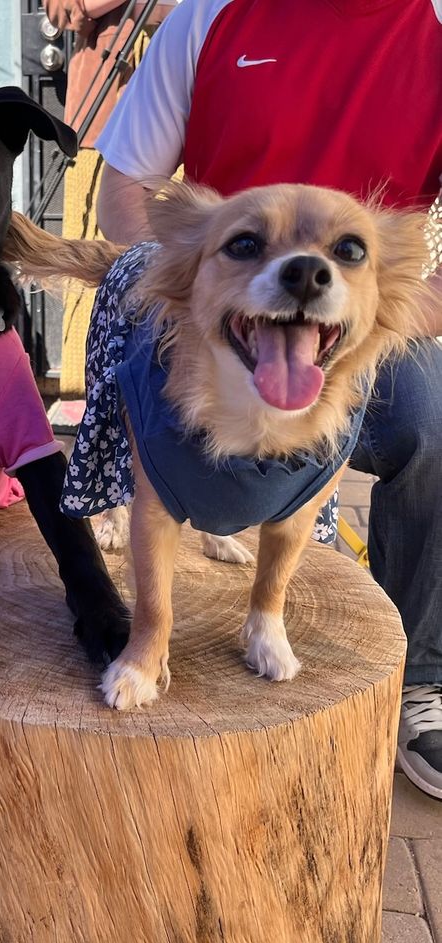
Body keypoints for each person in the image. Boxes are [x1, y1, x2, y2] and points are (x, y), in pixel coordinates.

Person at [94, 0, 442, 798]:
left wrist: (381, 314)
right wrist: (192, 271)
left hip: (366, 320)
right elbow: (126, 192)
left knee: (435, 423)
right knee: (140, 393)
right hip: (213, 306)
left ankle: (421, 674)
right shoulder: (206, 13)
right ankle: (129, 521)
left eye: (336, 250)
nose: (305, 266)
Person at [44, 0, 176, 398]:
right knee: (93, 256)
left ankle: (161, 389)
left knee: (176, 261)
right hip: (104, 119)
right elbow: (61, 9)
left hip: (189, 109)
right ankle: (86, 392)